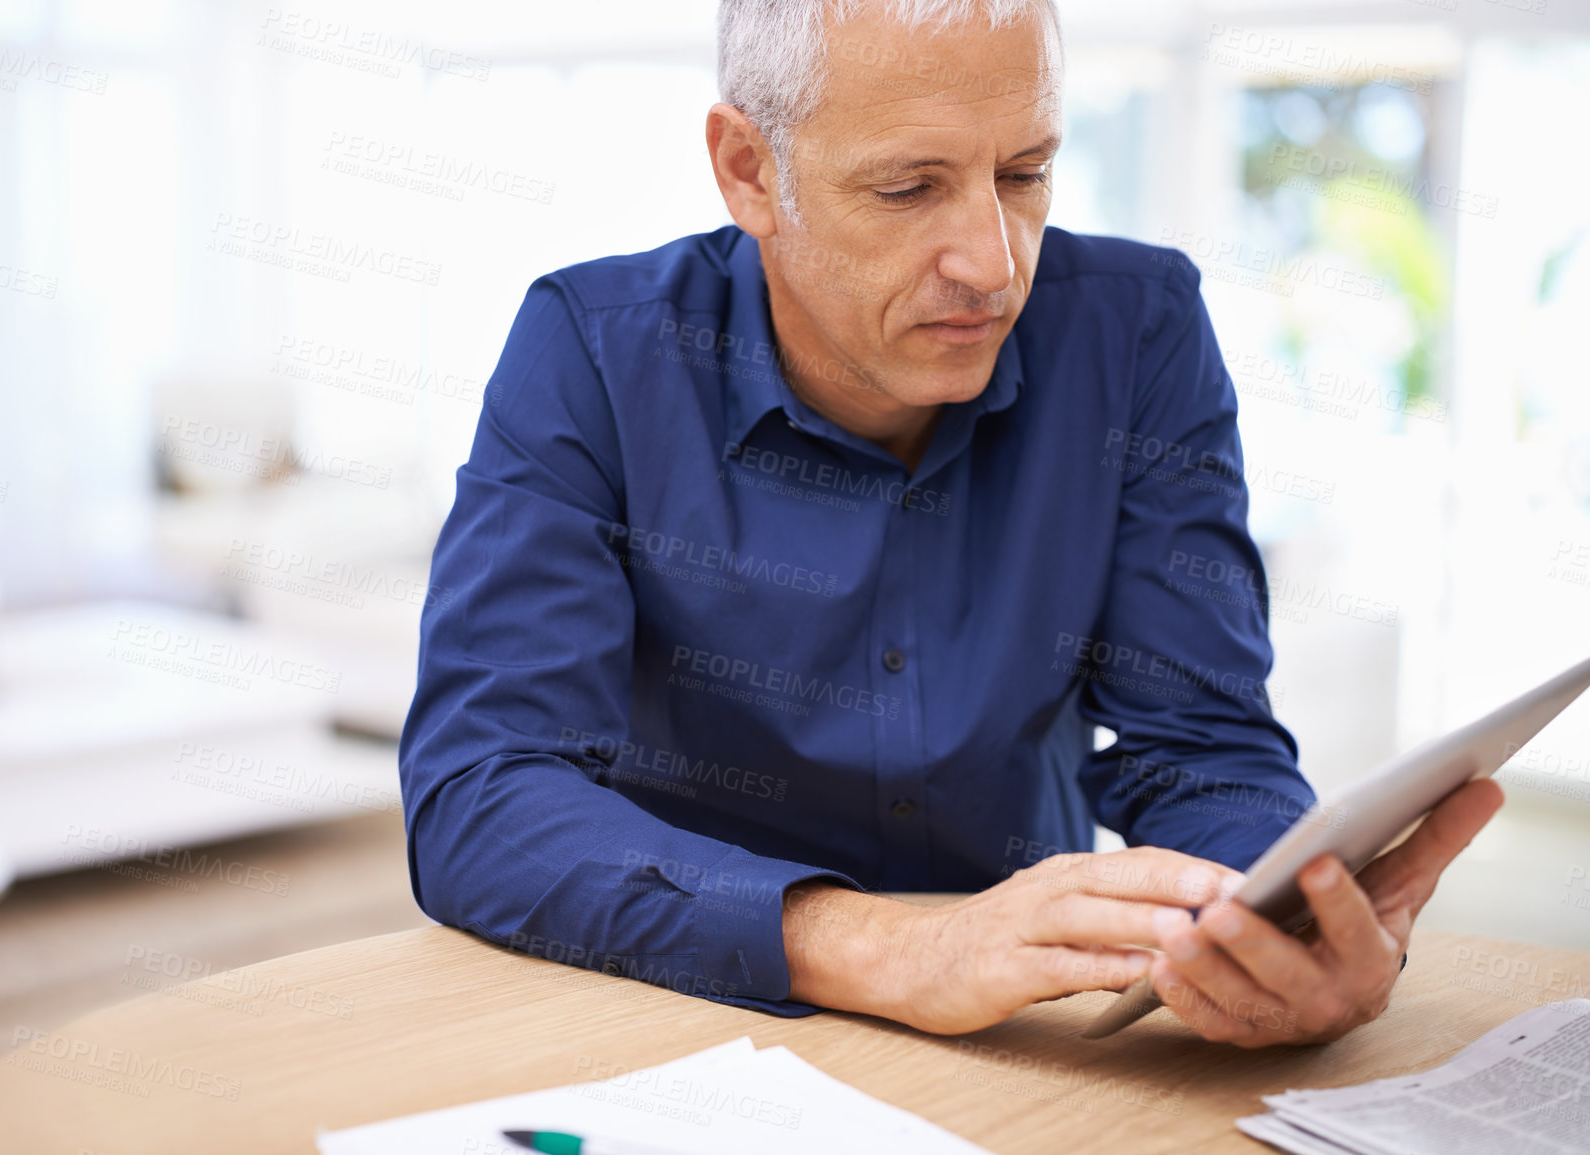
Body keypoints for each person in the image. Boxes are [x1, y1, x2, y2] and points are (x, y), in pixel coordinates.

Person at [398, 0, 1503, 1046]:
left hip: (1024, 1037)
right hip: (685, 1017)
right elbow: (480, 797)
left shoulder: (1136, 334)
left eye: (1025, 172)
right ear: (750, 170)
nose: (994, 262)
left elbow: (1201, 751)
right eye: (907, 188)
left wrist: (1278, 924)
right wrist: (881, 945)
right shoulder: (593, 350)